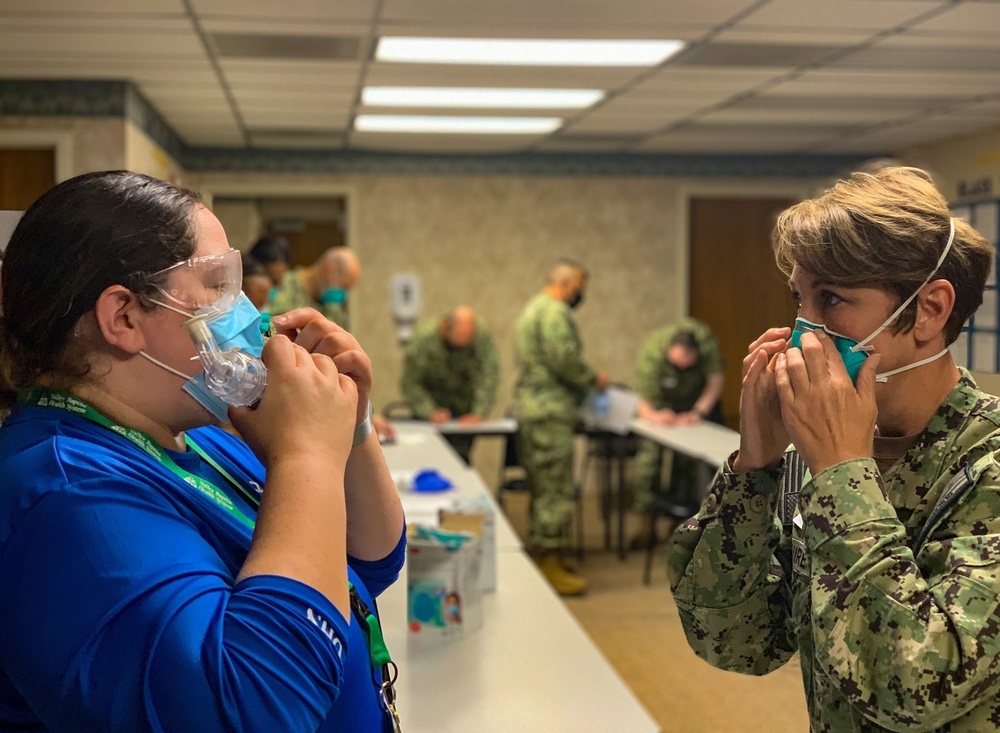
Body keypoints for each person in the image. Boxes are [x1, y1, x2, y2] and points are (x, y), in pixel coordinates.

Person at [0, 171, 406, 732]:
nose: (249, 314)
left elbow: (362, 565)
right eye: (218, 285)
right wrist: (306, 455)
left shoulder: (198, 437)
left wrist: (351, 427)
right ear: (123, 318)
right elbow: (248, 708)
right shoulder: (66, 495)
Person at [668, 167, 1000, 732]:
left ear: (930, 311)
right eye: (799, 298)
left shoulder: (984, 468)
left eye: (833, 300)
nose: (804, 330)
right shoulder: (814, 456)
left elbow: (914, 687)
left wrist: (843, 475)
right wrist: (755, 468)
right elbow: (737, 641)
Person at [514, 258, 608, 596]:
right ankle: (549, 562)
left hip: (533, 408)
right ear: (566, 284)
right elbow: (563, 358)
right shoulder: (554, 312)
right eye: (579, 286)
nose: (580, 294)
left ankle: (547, 556)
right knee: (555, 489)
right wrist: (591, 379)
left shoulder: (532, 309)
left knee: (543, 487)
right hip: (550, 411)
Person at [631, 318, 724, 545]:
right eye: (677, 365)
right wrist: (656, 416)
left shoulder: (706, 344)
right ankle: (646, 522)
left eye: (687, 366)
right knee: (649, 461)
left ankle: (680, 523)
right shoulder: (652, 354)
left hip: (691, 403)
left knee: (688, 462)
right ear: (668, 353)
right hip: (660, 406)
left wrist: (698, 412)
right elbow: (643, 403)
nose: (681, 370)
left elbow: (715, 380)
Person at [400, 306, 500, 463]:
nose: (462, 348)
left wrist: (479, 412)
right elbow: (411, 383)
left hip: (463, 417)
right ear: (447, 329)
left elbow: (488, 375)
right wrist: (429, 411)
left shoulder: (480, 336)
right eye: (458, 341)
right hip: (431, 419)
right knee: (430, 462)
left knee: (461, 462)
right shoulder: (424, 340)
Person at [270, 246, 361, 330]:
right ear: (329, 269)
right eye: (343, 286)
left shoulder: (329, 307)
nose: (343, 294)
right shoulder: (282, 286)